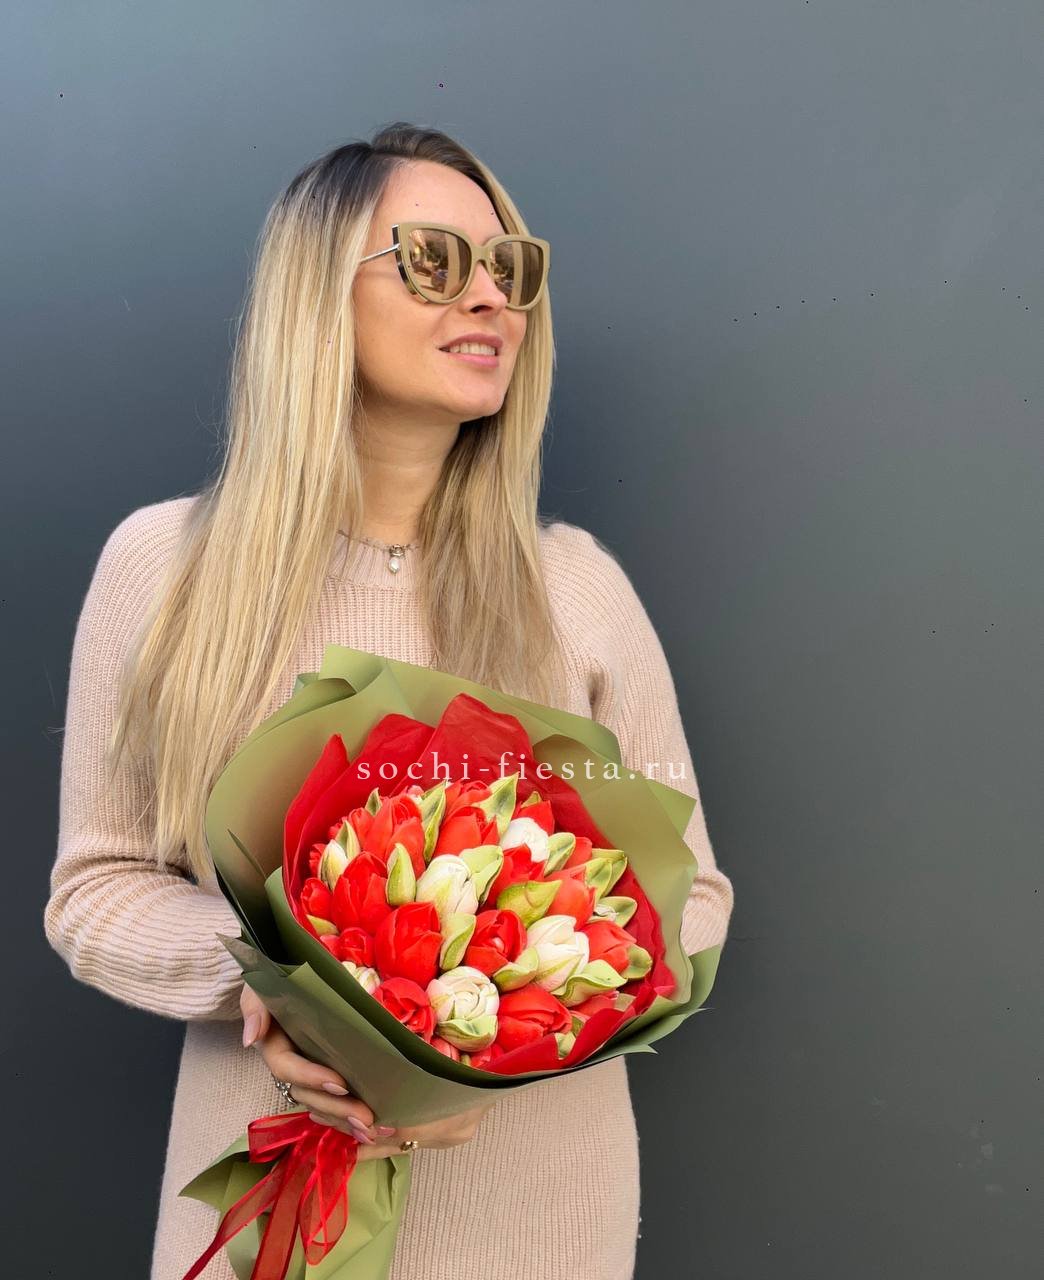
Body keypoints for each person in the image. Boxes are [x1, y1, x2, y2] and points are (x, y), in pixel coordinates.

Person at [43, 122, 735, 1280]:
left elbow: (693, 896)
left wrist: (502, 1030)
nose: (491, 297)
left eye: (511, 268)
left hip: (540, 1225)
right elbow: (96, 889)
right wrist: (292, 984)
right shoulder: (165, 571)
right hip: (266, 1214)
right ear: (316, 294)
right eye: (434, 260)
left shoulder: (576, 590)